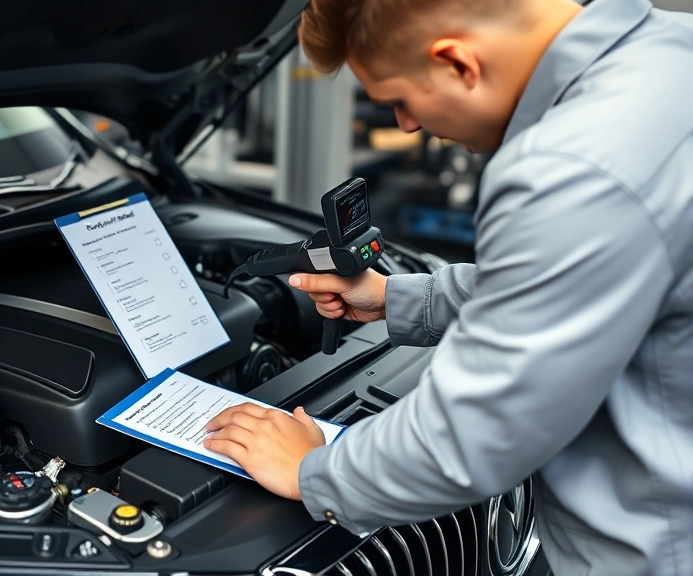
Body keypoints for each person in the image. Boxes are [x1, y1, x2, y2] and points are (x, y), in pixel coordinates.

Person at [202, 0, 693, 574]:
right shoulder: (669, 51)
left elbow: (477, 433)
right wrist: (396, 298)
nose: (406, 126)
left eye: (399, 101)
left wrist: (313, 471)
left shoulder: (571, 167)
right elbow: (572, 280)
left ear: (457, 64)